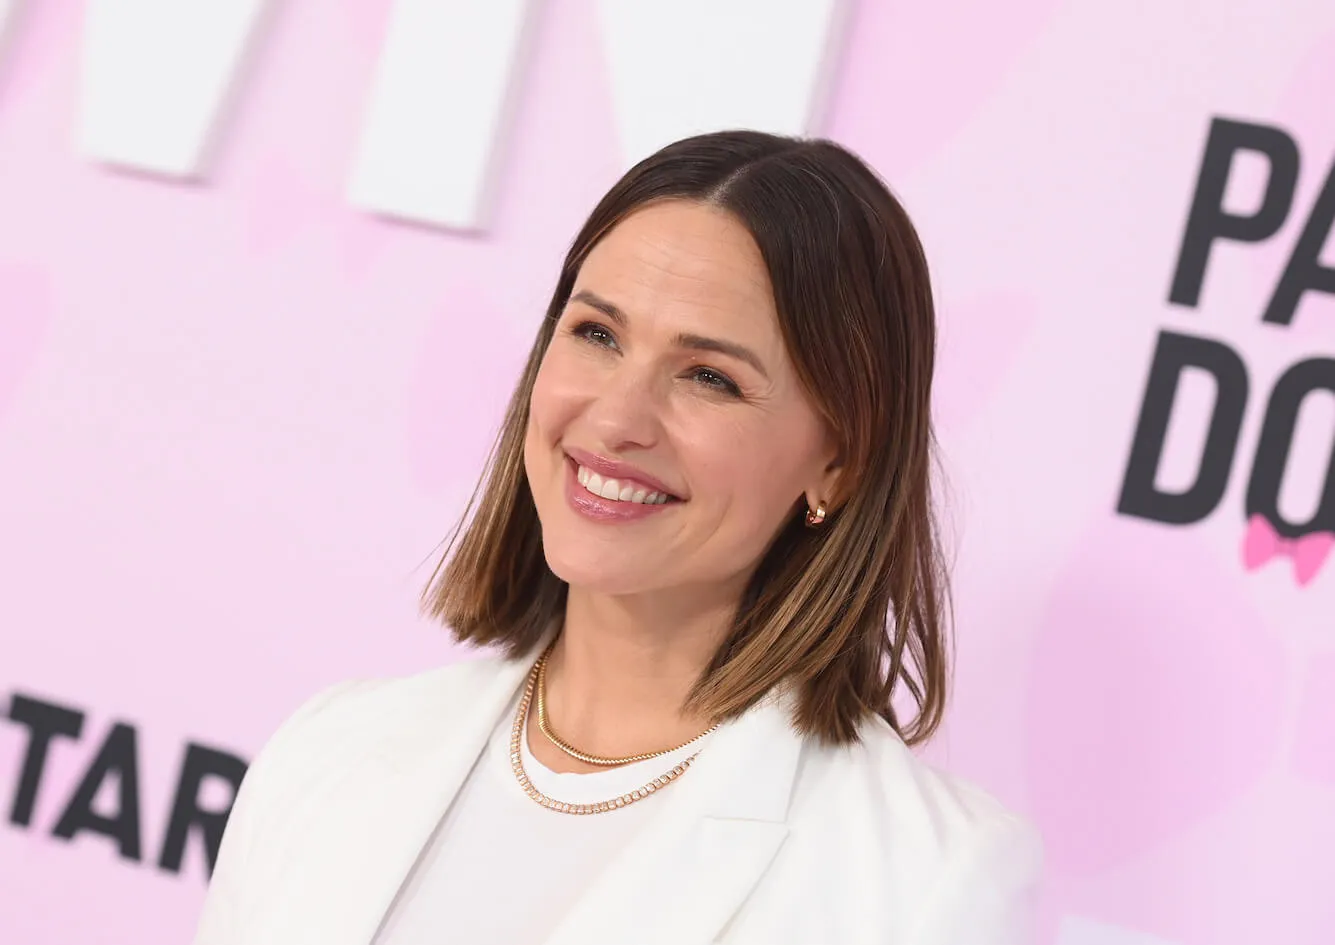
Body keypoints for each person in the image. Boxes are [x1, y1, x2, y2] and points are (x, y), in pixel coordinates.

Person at [192, 130, 1042, 945]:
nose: (615, 418)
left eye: (709, 376)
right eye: (596, 334)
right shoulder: (333, 748)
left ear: (841, 461)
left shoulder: (921, 880)